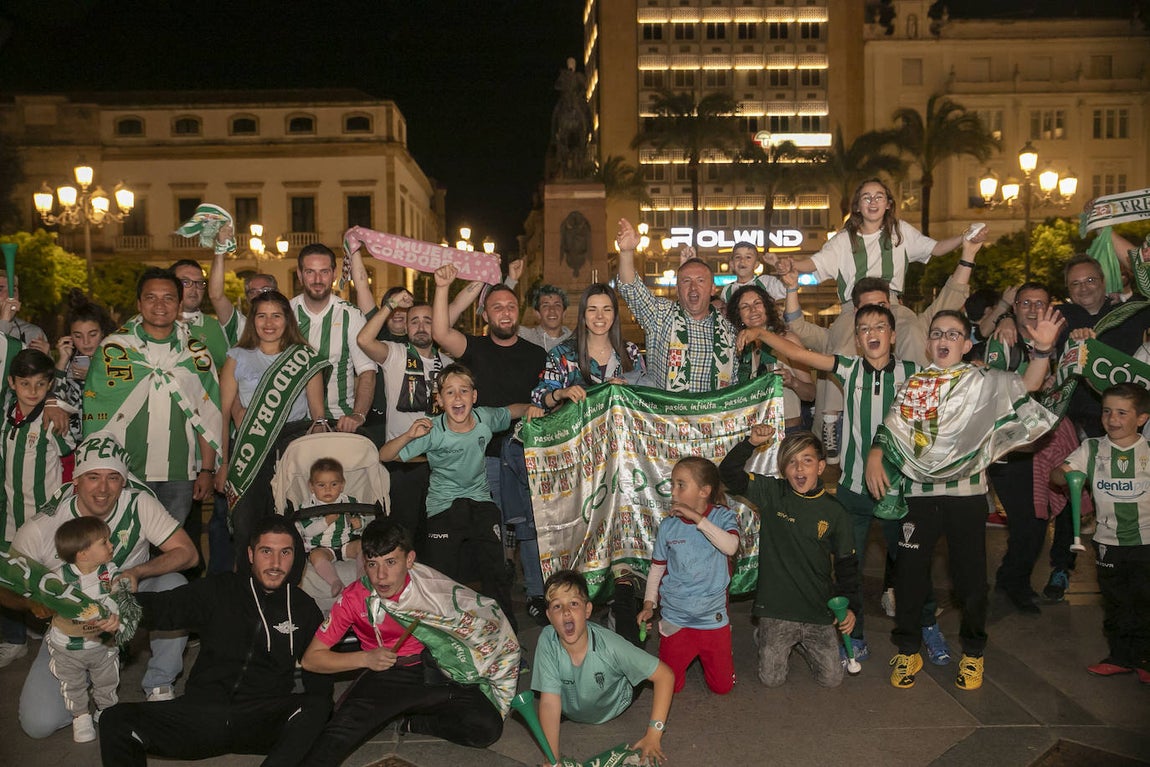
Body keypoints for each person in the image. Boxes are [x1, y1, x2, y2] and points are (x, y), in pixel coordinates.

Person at [734, 303, 953, 665]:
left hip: (899, 492)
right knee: (847, 570)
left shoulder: (915, 373)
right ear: (857, 339)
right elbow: (799, 353)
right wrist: (761, 334)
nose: (872, 333)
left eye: (879, 327)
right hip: (853, 493)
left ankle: (928, 626)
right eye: (864, 328)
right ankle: (857, 635)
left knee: (913, 567)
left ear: (892, 335)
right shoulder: (848, 368)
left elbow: (946, 395)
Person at [866, 309, 1062, 691]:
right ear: (928, 343)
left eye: (953, 334)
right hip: (919, 496)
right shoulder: (913, 386)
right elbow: (891, 430)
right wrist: (876, 452)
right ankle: (908, 648)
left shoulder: (982, 381)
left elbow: (1027, 385)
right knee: (908, 577)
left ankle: (973, 654)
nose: (943, 340)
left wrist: (1041, 352)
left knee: (970, 581)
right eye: (937, 333)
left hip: (966, 497)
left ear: (967, 343)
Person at [99, 515, 332, 767]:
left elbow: (317, 670)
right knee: (115, 719)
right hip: (201, 716)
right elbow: (166, 607)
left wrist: (317, 720)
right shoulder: (220, 589)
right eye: (267, 551)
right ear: (251, 554)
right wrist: (121, 607)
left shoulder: (304, 609)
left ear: (295, 556)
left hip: (261, 718)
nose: (275, 563)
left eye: (285, 552)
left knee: (319, 706)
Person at [12, 432, 198, 735]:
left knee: (174, 583)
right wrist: (31, 601)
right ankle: (95, 669)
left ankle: (160, 683)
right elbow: (6, 585)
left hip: (125, 603)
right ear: (76, 480)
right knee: (38, 724)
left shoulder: (138, 503)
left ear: (123, 481)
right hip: (74, 626)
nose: (103, 488)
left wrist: (136, 572)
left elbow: (188, 553)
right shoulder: (44, 524)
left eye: (113, 478)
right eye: (93, 477)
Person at [301, 517, 521, 766]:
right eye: (372, 564)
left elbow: (480, 620)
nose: (381, 576)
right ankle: (392, 713)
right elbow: (311, 659)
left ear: (410, 559)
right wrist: (365, 658)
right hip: (386, 674)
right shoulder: (354, 598)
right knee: (334, 739)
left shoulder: (429, 588)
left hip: (435, 670)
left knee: (486, 728)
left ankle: (410, 722)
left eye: (391, 562)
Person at [379, 363, 542, 627]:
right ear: (440, 400)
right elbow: (384, 455)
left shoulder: (484, 419)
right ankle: (447, 634)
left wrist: (531, 408)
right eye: (450, 393)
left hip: (479, 500)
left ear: (474, 397)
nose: (458, 398)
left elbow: (513, 410)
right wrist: (409, 435)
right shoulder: (431, 430)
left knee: (496, 572)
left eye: (464, 391)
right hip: (443, 505)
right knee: (443, 577)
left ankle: (506, 635)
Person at [431, 263, 549, 622]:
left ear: (519, 313)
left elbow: (544, 403)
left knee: (531, 529)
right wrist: (442, 287)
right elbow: (439, 331)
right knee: (492, 532)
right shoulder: (475, 348)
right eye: (496, 307)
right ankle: (496, 599)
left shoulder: (536, 354)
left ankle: (537, 595)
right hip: (486, 459)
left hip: (528, 455)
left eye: (510, 306)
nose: (505, 312)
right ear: (485, 313)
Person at [82, 268, 221, 532]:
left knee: (169, 549)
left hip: (180, 473)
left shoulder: (197, 354)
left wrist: (207, 469)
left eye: (168, 298)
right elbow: (95, 411)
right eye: (151, 298)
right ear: (138, 303)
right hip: (124, 471)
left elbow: (208, 413)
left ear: (179, 305)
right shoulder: (114, 350)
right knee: (121, 544)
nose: (160, 305)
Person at [720, 429, 859, 688]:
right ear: (783, 468)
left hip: (817, 608)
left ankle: (799, 644)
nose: (799, 468)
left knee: (831, 679)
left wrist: (850, 607)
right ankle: (764, 634)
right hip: (777, 608)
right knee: (771, 680)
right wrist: (750, 444)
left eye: (806, 460)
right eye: (791, 461)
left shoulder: (836, 512)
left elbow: (846, 565)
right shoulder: (772, 492)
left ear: (820, 466)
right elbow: (728, 474)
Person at [216, 290, 328, 571]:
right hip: (250, 447)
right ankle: (246, 592)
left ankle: (290, 591)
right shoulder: (236, 356)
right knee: (246, 526)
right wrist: (223, 463)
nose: (269, 323)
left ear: (286, 320)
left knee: (291, 525)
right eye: (261, 315)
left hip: (292, 445)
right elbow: (223, 412)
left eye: (276, 315)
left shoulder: (304, 357)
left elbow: (318, 415)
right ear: (252, 320)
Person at [1052, 383, 1150, 682]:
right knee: (1116, 601)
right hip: (1107, 541)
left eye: (1122, 412)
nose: (1112, 419)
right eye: (1107, 411)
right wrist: (1067, 474)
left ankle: (1145, 659)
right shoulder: (1091, 448)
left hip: (1146, 542)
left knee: (1144, 601)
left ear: (1142, 418)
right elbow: (1058, 474)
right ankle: (1120, 656)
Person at [532, 569, 673, 766]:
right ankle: (616, 614)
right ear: (548, 615)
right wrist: (551, 758)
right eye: (557, 606)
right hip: (575, 705)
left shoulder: (611, 646)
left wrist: (654, 733)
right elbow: (548, 703)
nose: (565, 612)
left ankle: (624, 586)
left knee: (630, 632)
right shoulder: (548, 640)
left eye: (574, 603)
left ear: (588, 610)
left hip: (620, 699)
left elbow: (665, 676)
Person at [0, 349, 78, 667]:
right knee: (10, 580)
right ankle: (14, 639)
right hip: (10, 518)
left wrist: (70, 512)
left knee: (51, 581)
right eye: (25, 384)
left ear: (49, 386)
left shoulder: (51, 421)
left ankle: (59, 642)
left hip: (45, 521)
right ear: (12, 384)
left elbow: (70, 463)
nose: (33, 391)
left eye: (40, 385)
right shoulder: (6, 419)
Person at [636, 457, 738, 694]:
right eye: (672, 484)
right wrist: (649, 604)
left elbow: (730, 546)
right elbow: (657, 568)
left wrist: (697, 519)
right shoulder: (669, 526)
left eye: (681, 485)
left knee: (722, 688)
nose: (673, 491)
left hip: (712, 617)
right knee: (670, 687)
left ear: (704, 491)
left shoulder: (722, 516)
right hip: (676, 617)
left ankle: (720, 649)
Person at [357, 297, 451, 550]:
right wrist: (388, 305)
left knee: (436, 537)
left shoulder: (449, 365)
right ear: (406, 327)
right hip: (403, 466)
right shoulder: (395, 354)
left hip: (440, 467)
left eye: (428, 321)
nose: (421, 327)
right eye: (414, 321)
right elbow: (364, 340)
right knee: (402, 537)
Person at [615, 218, 737, 392]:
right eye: (686, 281)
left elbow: (735, 387)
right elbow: (632, 289)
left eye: (700, 281)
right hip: (666, 417)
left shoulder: (728, 331)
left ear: (712, 289)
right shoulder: (662, 315)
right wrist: (626, 252)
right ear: (678, 290)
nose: (693, 287)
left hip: (711, 417)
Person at [46, 516, 122, 743]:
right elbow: (45, 601)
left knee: (107, 680)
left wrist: (117, 610)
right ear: (83, 554)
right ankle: (80, 716)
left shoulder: (110, 572)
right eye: (104, 542)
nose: (112, 545)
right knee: (72, 683)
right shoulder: (57, 578)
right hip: (67, 647)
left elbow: (121, 594)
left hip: (102, 644)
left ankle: (107, 710)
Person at [291, 243, 376, 433]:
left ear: (334, 274)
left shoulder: (351, 315)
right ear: (299, 274)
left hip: (339, 420)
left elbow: (367, 371)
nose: (317, 279)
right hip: (293, 422)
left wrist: (358, 415)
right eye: (310, 272)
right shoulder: (286, 314)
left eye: (324, 272)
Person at [531, 283, 645, 411]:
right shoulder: (562, 354)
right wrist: (561, 393)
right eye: (592, 309)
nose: (600, 316)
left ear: (615, 314)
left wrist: (628, 387)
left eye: (607, 309)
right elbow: (538, 397)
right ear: (583, 314)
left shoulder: (630, 351)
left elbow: (647, 395)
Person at [726, 284, 814, 433]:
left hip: (788, 431)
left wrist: (793, 382)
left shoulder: (787, 340)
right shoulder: (739, 347)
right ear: (738, 315)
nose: (753, 310)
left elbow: (810, 394)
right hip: (753, 433)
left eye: (757, 303)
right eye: (745, 306)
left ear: (767, 307)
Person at [53, 289, 116, 444]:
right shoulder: (67, 363)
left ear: (103, 332)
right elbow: (55, 403)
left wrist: (94, 376)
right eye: (78, 336)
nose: (86, 342)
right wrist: (61, 362)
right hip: (74, 444)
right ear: (69, 335)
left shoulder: (116, 361)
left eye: (92, 334)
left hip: (110, 441)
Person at [296, 457, 364, 597]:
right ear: (312, 486)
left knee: (363, 546)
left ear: (342, 485)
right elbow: (307, 531)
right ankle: (335, 582)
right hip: (322, 547)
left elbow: (362, 519)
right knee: (315, 556)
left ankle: (362, 579)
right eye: (321, 485)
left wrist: (359, 523)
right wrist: (326, 521)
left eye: (334, 484)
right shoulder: (308, 506)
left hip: (347, 544)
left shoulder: (349, 501)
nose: (328, 489)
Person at [170, 258, 236, 371]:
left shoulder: (218, 328)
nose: (194, 288)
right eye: (185, 282)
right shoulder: (150, 325)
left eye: (200, 283)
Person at [718, 240, 787, 306]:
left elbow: (789, 287)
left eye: (748, 257)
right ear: (732, 264)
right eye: (738, 257)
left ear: (756, 264)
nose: (742, 260)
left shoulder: (766, 282)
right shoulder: (727, 290)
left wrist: (776, 263)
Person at [0, 268, 48, 350]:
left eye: (13, 290)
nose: (9, 295)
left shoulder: (33, 333)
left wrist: (43, 359)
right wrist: (4, 322)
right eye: (0, 289)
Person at [519, 284, 572, 352]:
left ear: (564, 312)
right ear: (537, 313)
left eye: (557, 305)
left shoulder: (576, 342)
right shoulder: (525, 337)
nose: (552, 309)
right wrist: (511, 281)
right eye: (545, 305)